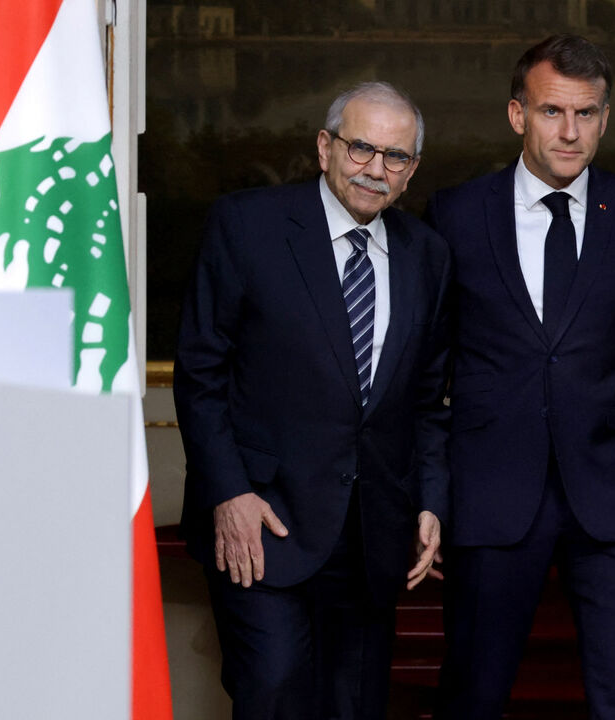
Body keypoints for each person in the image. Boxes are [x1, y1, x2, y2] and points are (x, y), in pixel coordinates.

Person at [425, 35, 615, 719]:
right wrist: (428, 499)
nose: (570, 132)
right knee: (473, 696)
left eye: (587, 114)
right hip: (489, 495)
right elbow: (426, 376)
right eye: (553, 112)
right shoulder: (455, 215)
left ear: (606, 118)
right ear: (518, 114)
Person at [174, 81, 452, 719]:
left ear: (412, 172)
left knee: (354, 706)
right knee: (272, 692)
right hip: (262, 521)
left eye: (396, 157)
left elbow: (427, 401)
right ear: (325, 147)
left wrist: (431, 500)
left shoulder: (428, 256)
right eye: (361, 148)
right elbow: (199, 372)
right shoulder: (247, 225)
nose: (375, 170)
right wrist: (228, 494)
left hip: (374, 534)